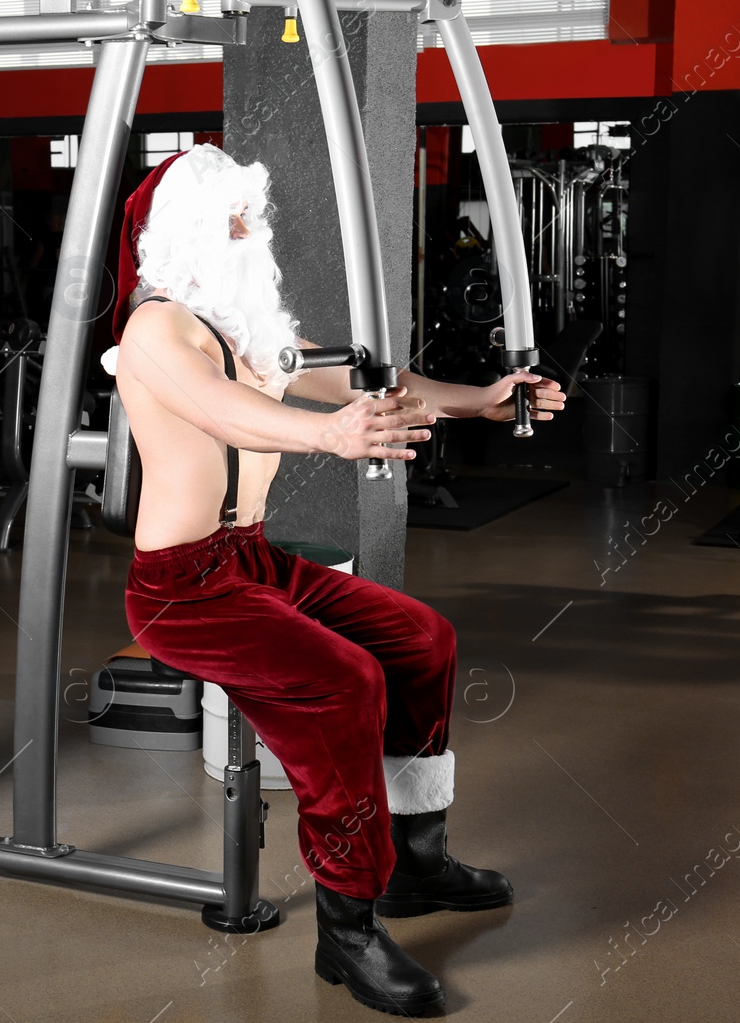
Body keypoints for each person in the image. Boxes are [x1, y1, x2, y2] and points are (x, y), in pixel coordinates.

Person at [107, 144, 565, 1017]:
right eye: (231, 220)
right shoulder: (157, 331)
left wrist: (490, 399)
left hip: (255, 563)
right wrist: (329, 437)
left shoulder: (246, 323)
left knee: (422, 639)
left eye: (254, 216)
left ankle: (418, 862)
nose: (251, 233)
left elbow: (372, 385)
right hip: (183, 590)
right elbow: (224, 409)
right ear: (183, 236)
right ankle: (345, 927)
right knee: (340, 683)